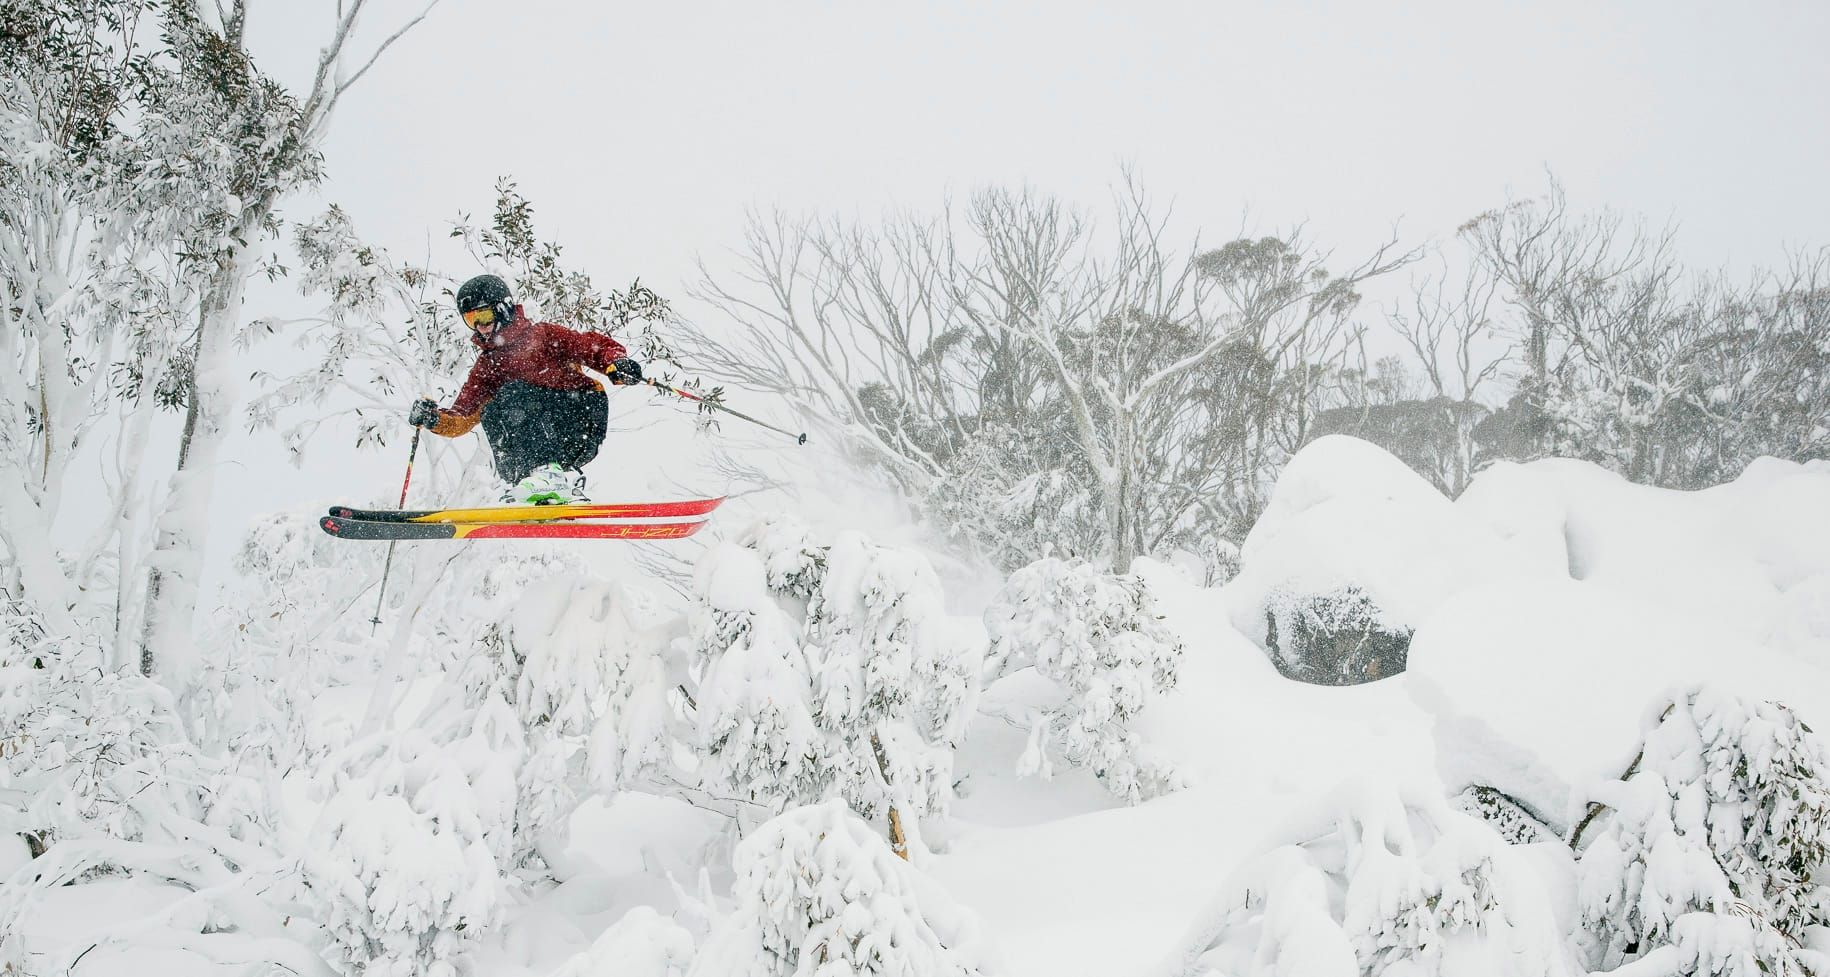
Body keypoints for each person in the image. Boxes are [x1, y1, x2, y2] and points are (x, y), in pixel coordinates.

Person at [408, 274, 643, 504]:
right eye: (471, 319)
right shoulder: (488, 365)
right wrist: (433, 419)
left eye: (484, 315)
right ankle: (531, 483)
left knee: (515, 391)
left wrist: (615, 363)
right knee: (490, 410)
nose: (480, 326)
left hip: (580, 417)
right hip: (541, 440)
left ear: (503, 309)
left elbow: (591, 346)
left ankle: (551, 475)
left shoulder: (542, 336)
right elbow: (463, 415)